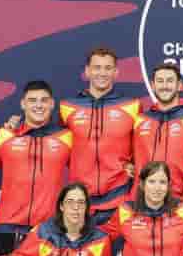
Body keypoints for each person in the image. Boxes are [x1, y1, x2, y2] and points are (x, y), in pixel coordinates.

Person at [0, 81, 73, 256]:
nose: (38, 105)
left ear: (52, 104)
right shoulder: (6, 135)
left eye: (44, 100)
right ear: (23, 104)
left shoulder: (66, 137)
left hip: (49, 228)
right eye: (32, 100)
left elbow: (86, 168)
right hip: (9, 227)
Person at [59, 47, 139, 224]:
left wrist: (131, 166)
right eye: (97, 67)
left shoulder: (132, 106)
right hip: (79, 201)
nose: (102, 73)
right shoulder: (67, 107)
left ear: (116, 72)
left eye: (108, 68)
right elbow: (49, 140)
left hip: (119, 197)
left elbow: (143, 148)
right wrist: (18, 125)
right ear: (87, 71)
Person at [132, 64, 183, 201]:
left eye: (170, 81)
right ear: (153, 85)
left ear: (179, 85)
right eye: (160, 81)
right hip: (141, 200)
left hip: (178, 200)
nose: (165, 86)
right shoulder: (140, 119)